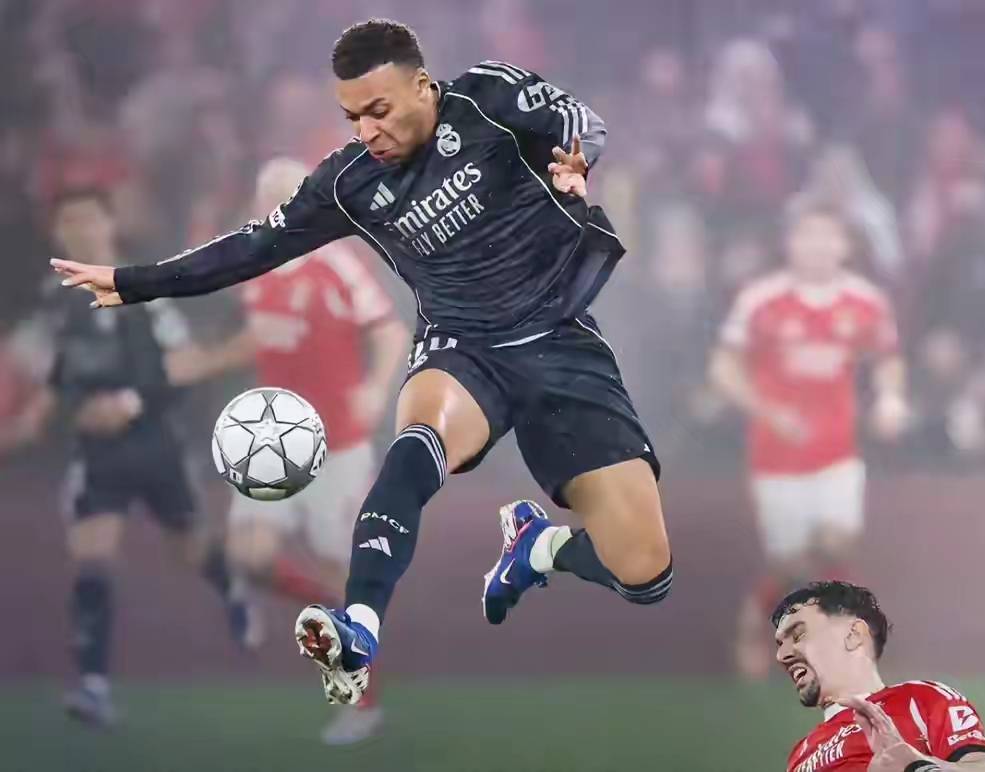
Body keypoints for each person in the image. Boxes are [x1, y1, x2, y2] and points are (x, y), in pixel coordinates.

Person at [52, 18, 671, 706]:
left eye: (378, 110)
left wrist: (576, 163)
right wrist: (134, 281)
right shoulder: (348, 182)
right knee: (420, 440)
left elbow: (577, 121)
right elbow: (253, 247)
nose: (367, 130)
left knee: (646, 571)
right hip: (463, 347)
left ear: (422, 86)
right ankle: (359, 631)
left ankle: (537, 548)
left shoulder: (487, 97)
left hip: (560, 338)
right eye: (352, 117)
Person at [9, 187, 253, 727]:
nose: (80, 230)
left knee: (190, 547)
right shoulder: (55, 302)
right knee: (91, 560)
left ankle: (232, 589)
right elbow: (56, 374)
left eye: (88, 219)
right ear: (57, 234)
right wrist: (48, 414)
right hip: (96, 452)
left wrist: (132, 401)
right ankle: (94, 684)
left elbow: (183, 364)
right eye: (69, 221)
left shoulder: (146, 289)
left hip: (155, 442)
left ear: (109, 224)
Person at [224, 157, 410, 744]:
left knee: (340, 572)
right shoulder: (250, 263)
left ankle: (362, 702)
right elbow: (260, 339)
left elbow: (390, 330)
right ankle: (328, 609)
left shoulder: (337, 262)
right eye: (269, 194)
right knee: (250, 556)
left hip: (339, 445)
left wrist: (375, 388)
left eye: (289, 194)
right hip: (271, 438)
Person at [709, 204, 908, 678]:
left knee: (838, 543)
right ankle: (754, 623)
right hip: (776, 456)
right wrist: (767, 410)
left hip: (837, 451)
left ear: (844, 246)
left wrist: (891, 398)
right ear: (790, 243)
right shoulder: (761, 301)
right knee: (790, 561)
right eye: (807, 235)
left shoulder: (865, 301)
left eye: (828, 236)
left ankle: (847, 644)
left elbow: (888, 358)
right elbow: (723, 367)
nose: (818, 245)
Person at [774, 581, 985, 771]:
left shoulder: (923, 699)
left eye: (798, 634)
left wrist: (916, 765)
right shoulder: (801, 753)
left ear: (854, 634)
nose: (781, 656)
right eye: (780, 644)